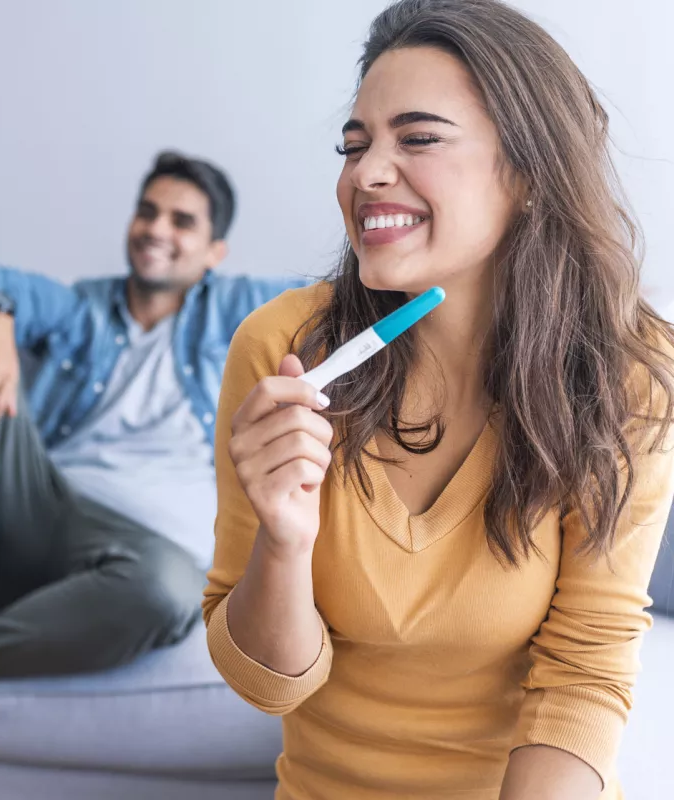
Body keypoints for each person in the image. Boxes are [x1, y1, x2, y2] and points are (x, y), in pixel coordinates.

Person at [203, 2, 674, 799]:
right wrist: (283, 543)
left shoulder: (629, 370)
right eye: (354, 146)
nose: (366, 173)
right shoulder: (283, 351)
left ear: (527, 170)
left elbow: (585, 677)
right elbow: (267, 687)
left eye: (416, 138)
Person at [0, 151, 309, 682]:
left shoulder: (240, 310)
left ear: (215, 251)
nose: (156, 229)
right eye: (147, 212)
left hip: (145, 556)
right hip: (41, 510)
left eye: (181, 221)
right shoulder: (81, 310)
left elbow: (343, 300)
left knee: (166, 593)